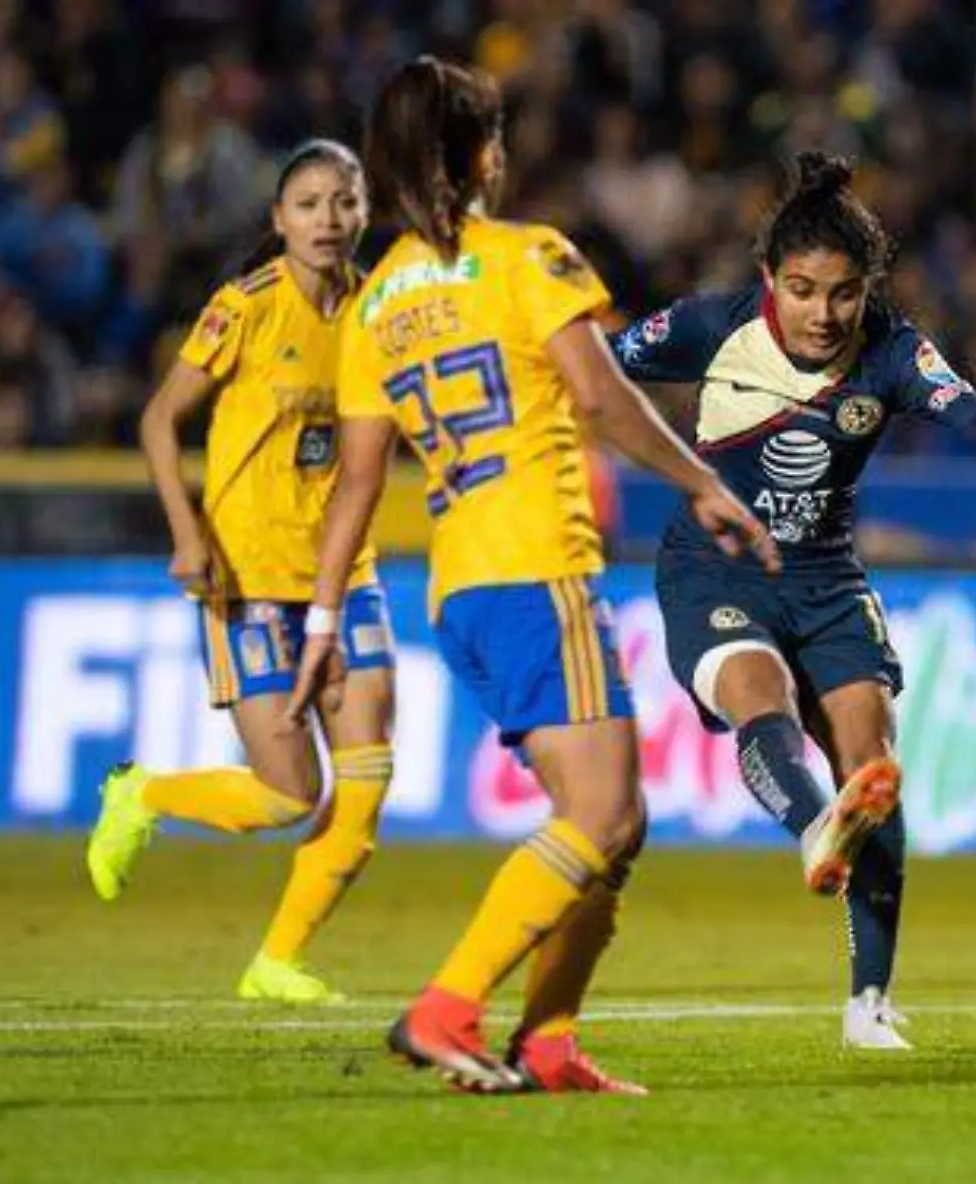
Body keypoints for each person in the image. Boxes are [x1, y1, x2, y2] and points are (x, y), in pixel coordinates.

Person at [285, 57, 773, 1095]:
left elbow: (359, 478)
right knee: (598, 816)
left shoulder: (374, 304)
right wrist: (699, 482)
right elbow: (596, 396)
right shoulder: (528, 258)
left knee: (615, 821)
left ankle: (547, 1042)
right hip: (537, 563)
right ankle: (445, 1006)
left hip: (461, 583)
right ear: (476, 154)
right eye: (493, 137)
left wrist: (322, 612)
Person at [610, 150, 976, 1050]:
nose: (823, 313)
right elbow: (596, 370)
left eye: (842, 294)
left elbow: (974, 414)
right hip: (715, 572)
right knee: (758, 695)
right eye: (802, 291)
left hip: (828, 582)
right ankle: (813, 831)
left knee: (872, 766)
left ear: (866, 288)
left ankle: (868, 1003)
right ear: (770, 279)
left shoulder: (894, 348)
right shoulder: (710, 325)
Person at [86, 140, 393, 1006]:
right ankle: (142, 793)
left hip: (346, 576)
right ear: (278, 220)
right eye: (307, 204)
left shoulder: (379, 311)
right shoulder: (245, 307)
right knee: (290, 793)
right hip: (250, 578)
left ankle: (278, 962)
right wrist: (189, 535)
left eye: (343, 202)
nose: (326, 220)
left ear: (364, 212)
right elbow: (158, 420)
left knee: (366, 783)